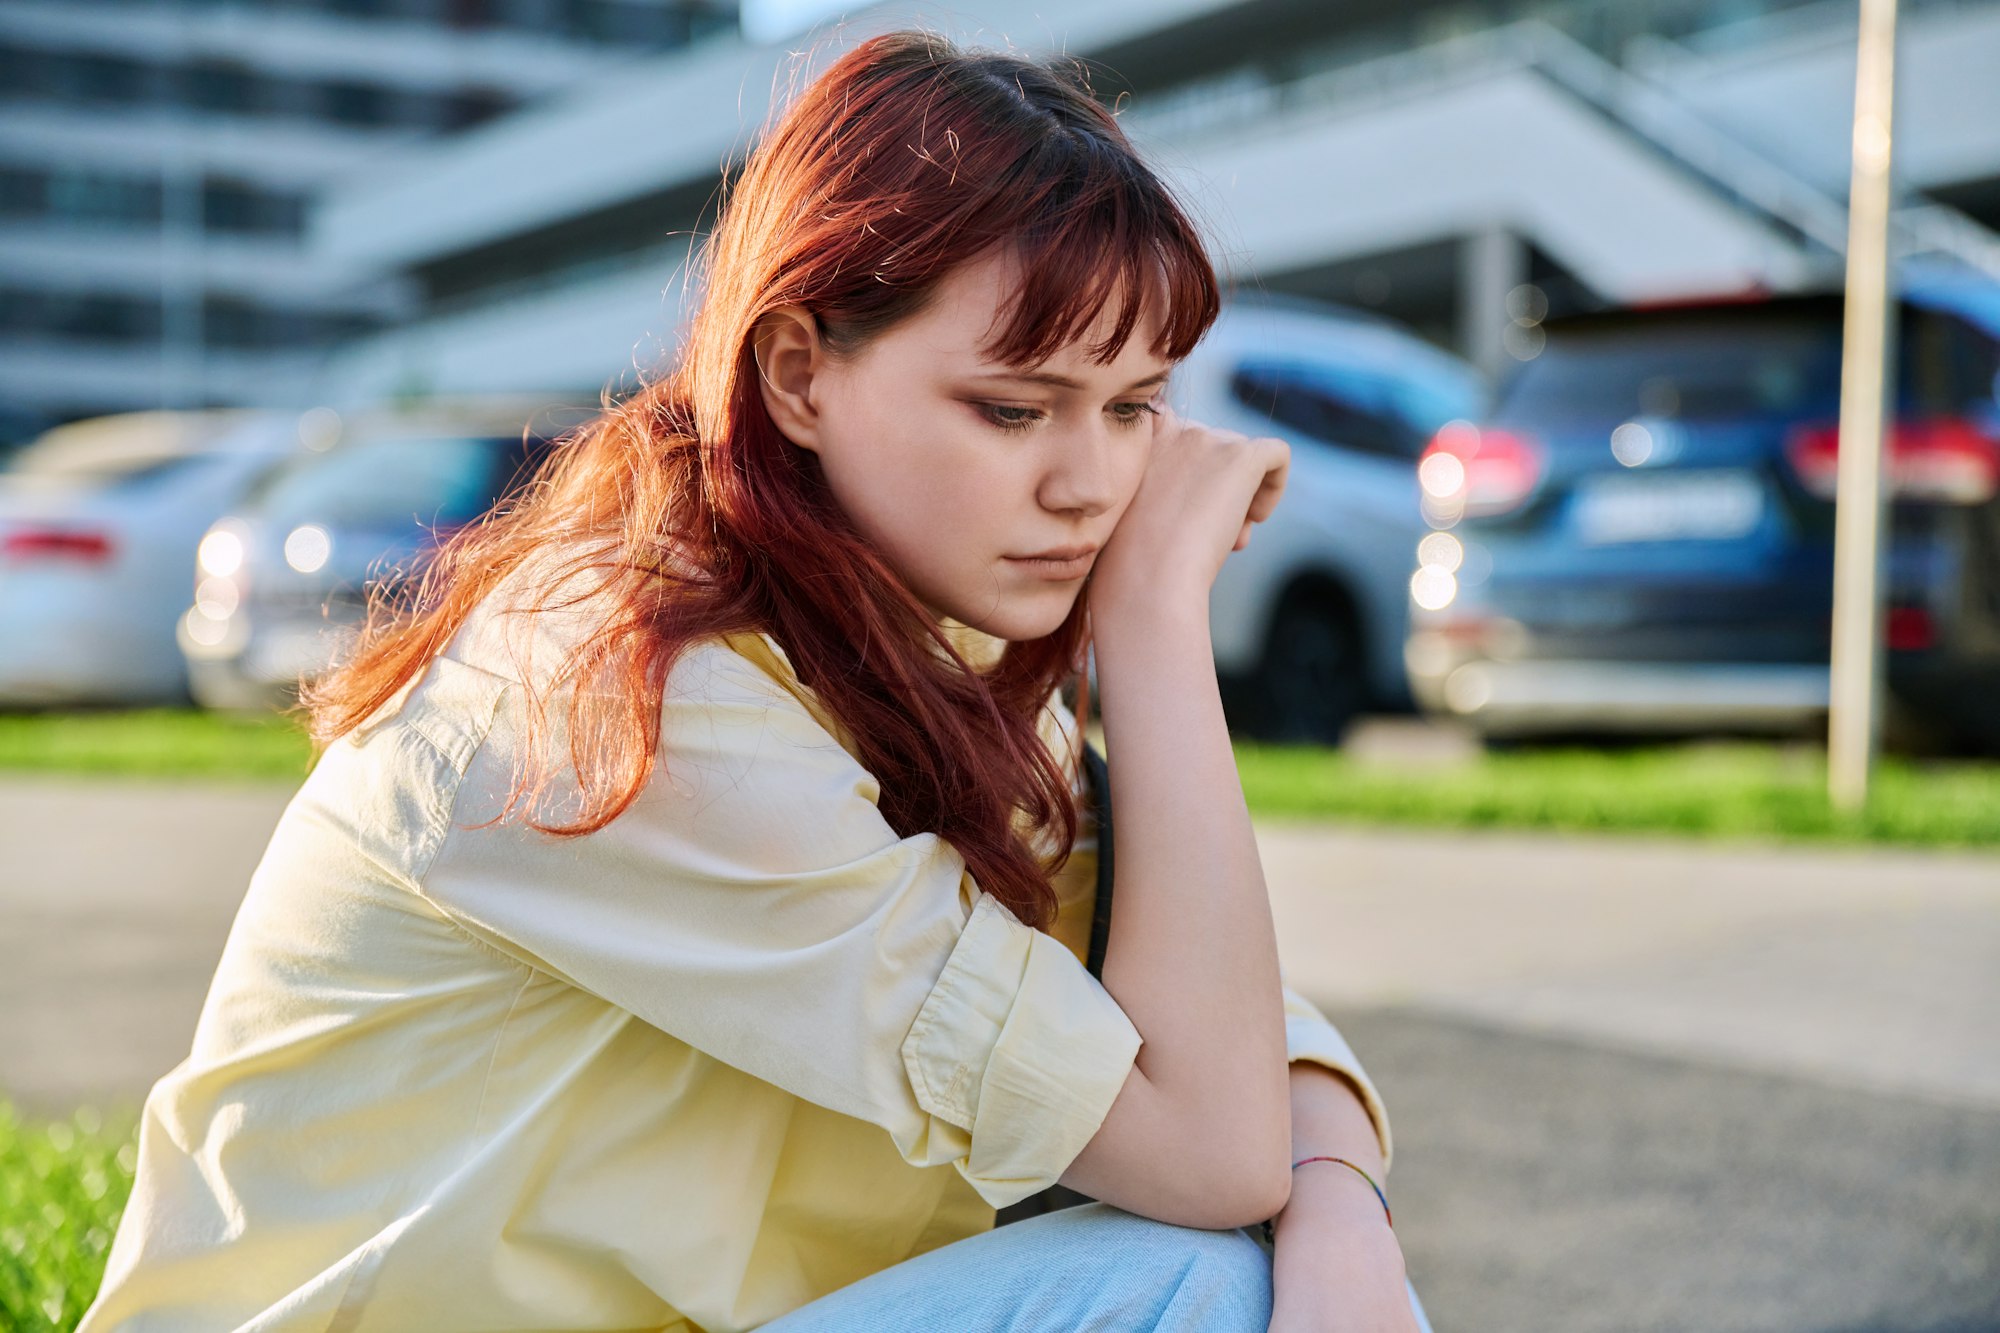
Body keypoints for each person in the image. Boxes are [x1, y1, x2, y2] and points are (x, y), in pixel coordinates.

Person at [79, 29, 1429, 1333]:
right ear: (796, 375)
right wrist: (1151, 623)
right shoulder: (636, 694)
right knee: (1196, 1288)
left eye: (1132, 407)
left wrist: (1336, 1203)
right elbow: (1205, 1142)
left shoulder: (914, 647)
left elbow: (1218, 1036)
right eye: (1013, 409)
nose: (1089, 487)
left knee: (1251, 1268)